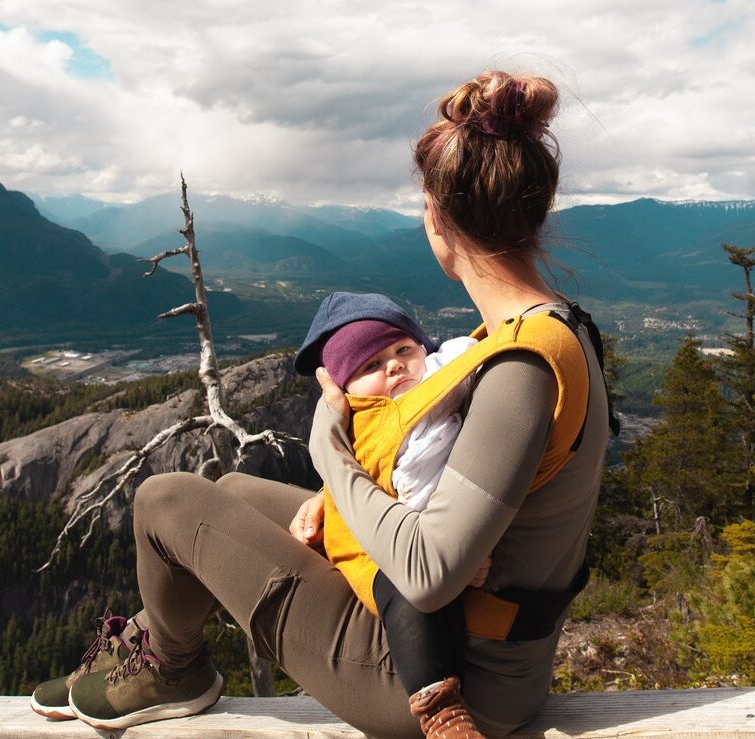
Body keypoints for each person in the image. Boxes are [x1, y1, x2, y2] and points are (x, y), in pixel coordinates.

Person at [30, 69, 611, 738]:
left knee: (166, 499)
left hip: (446, 680)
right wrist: (344, 498)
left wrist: (330, 451)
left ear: (436, 217)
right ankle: (150, 646)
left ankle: (174, 664)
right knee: (237, 492)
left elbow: (425, 574)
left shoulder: (519, 368)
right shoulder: (549, 330)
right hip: (476, 645)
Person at [295, 292, 490, 736]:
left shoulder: (443, 377)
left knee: (422, 582)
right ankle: (441, 711)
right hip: (376, 550)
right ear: (345, 390)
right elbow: (365, 469)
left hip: (442, 533)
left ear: (425, 348)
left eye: (404, 349)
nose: (395, 366)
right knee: (406, 590)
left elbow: (476, 351)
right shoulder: (364, 421)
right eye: (370, 366)